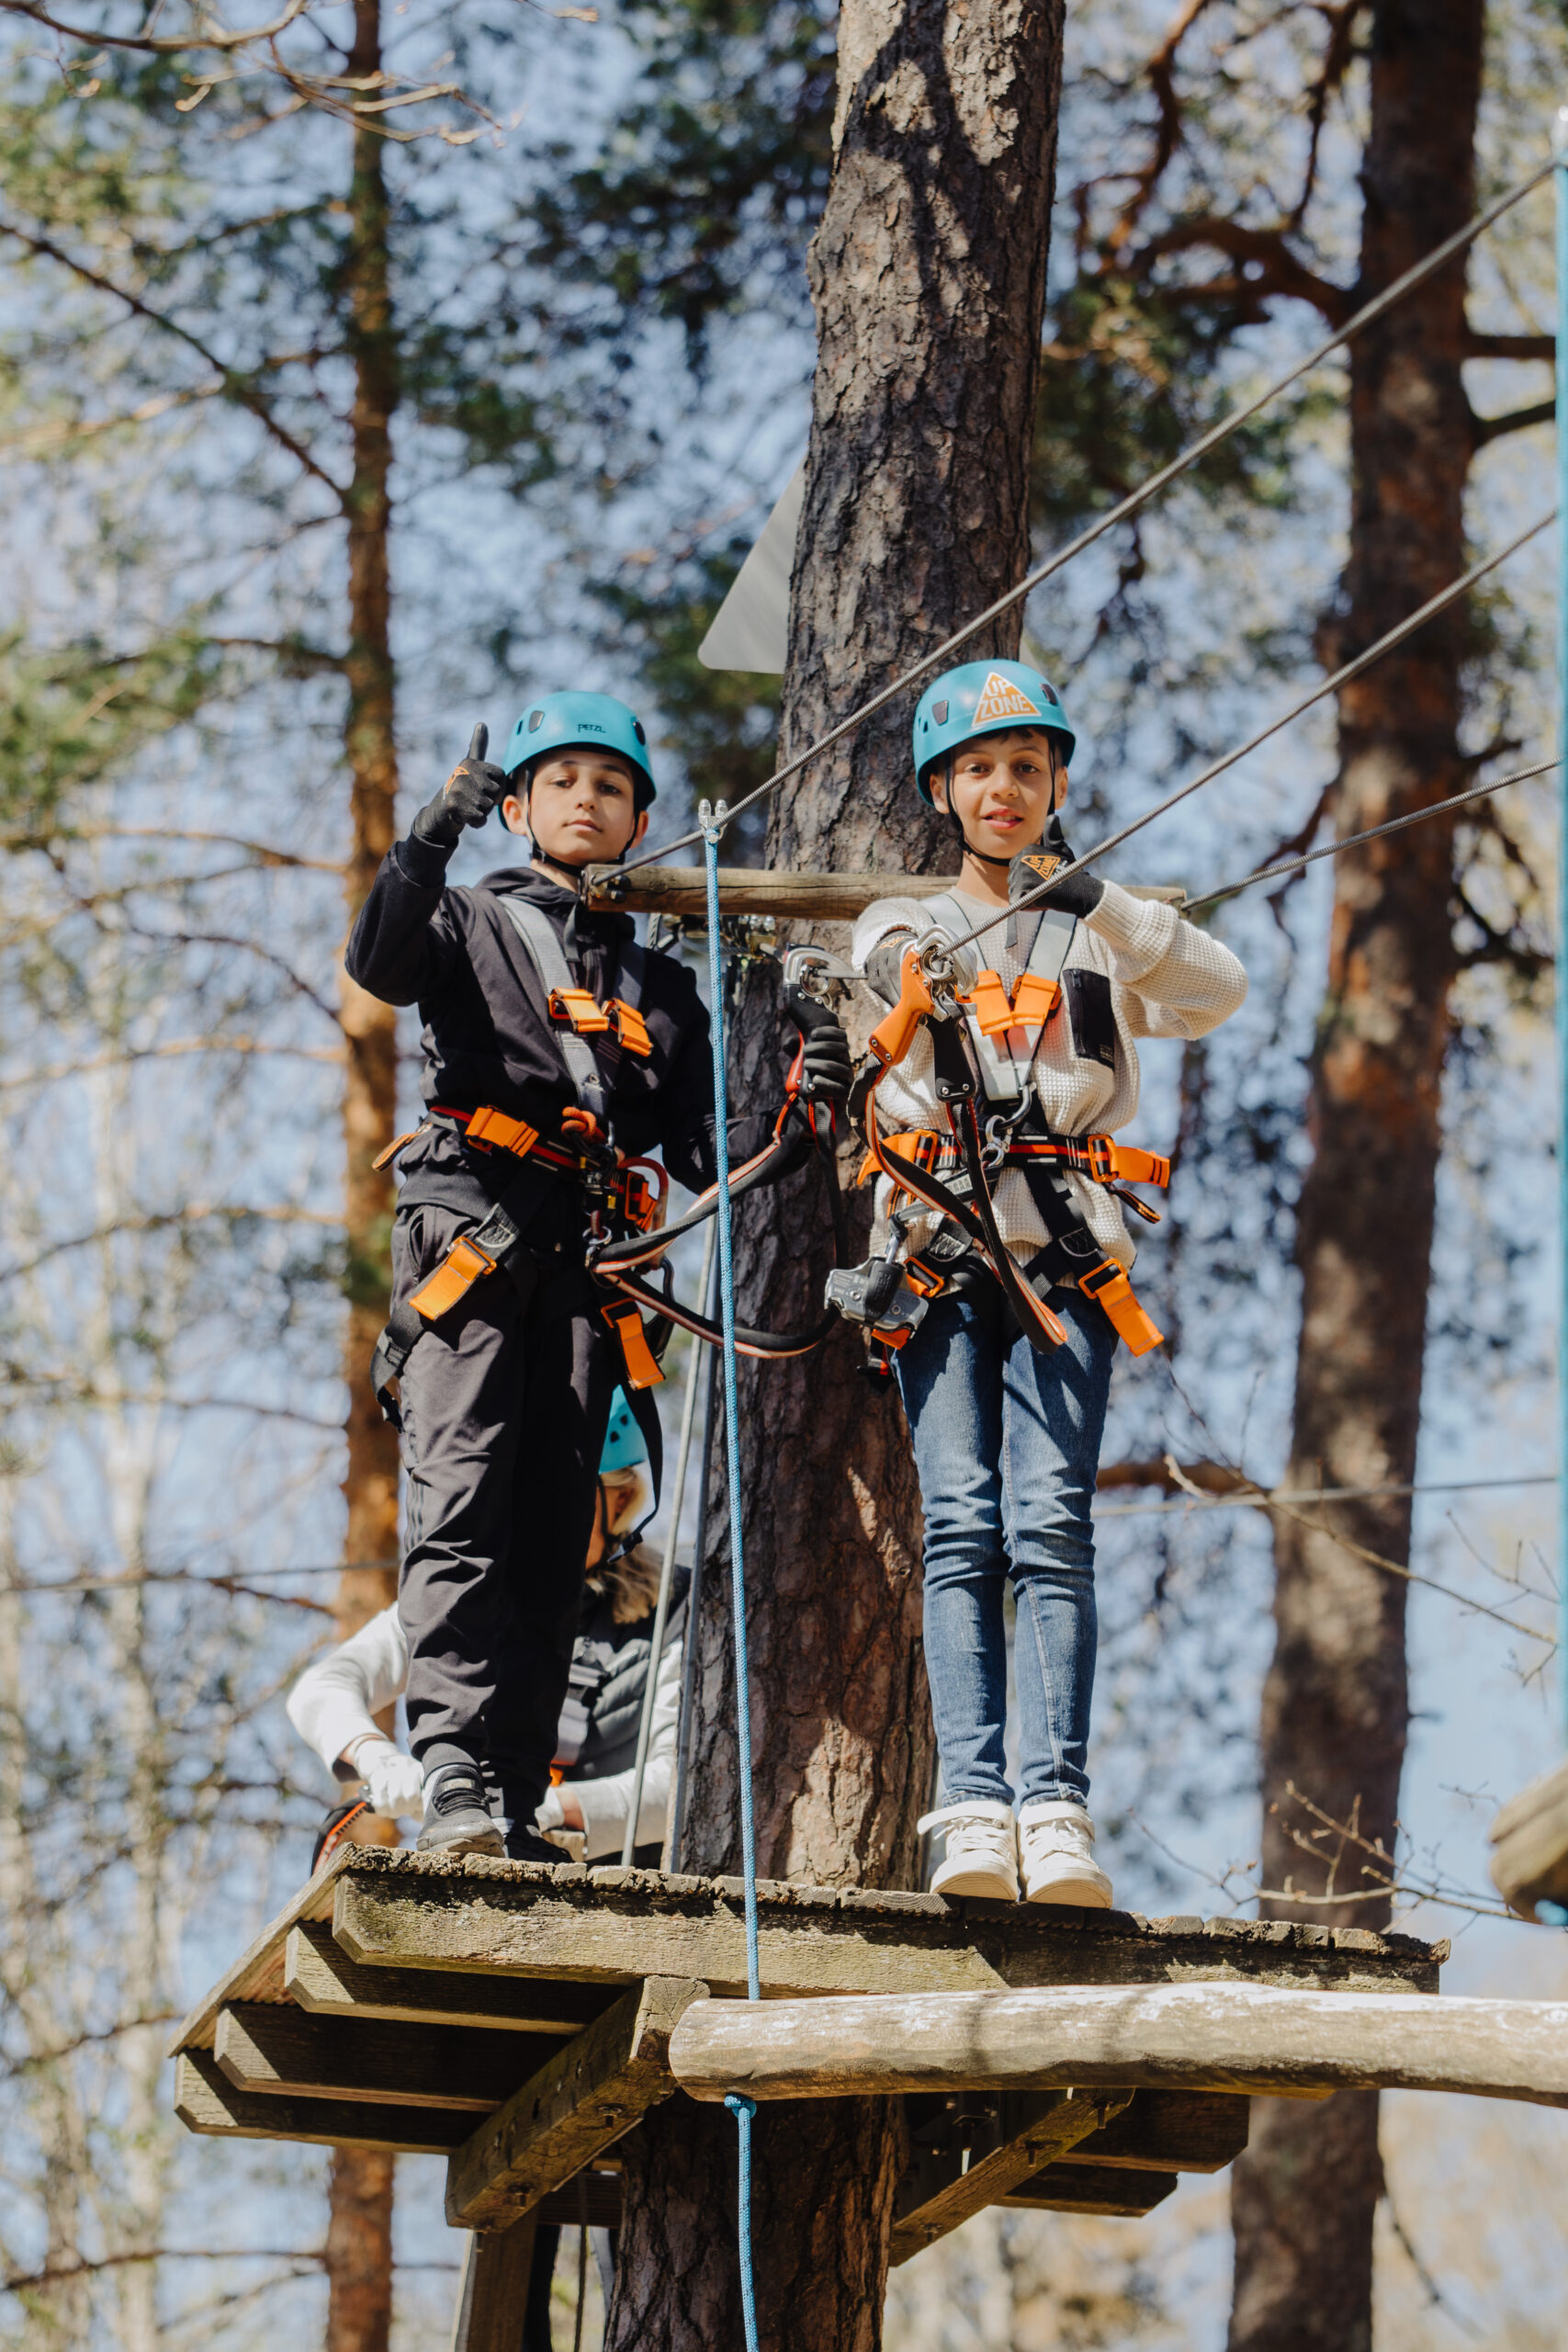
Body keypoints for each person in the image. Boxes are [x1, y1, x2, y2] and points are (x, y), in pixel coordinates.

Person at [344, 693, 851, 1861]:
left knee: (551, 1530)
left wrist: (806, 1096)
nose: (588, 799)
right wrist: (427, 839)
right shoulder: (468, 921)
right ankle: (456, 1769)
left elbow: (712, 1150)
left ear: (637, 821)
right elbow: (379, 960)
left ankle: (510, 1795)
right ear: (517, 805)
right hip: (472, 1245)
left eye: (612, 786)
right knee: (462, 1506)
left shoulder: (658, 992)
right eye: (563, 780)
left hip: (583, 1271)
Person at [852, 661, 1247, 1908]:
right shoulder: (896, 921)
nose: (1003, 788)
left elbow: (1214, 989)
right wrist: (924, 974)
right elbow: (884, 982)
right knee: (963, 1524)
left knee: (1052, 1529)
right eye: (978, 769)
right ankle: (972, 1806)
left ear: (1057, 782)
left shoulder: (1100, 934)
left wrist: (1105, 901)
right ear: (941, 792)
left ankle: (1053, 1810)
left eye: (1025, 766)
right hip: (941, 1255)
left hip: (1067, 1257)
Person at [289, 1391, 688, 1867]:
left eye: (562, 1497)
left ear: (621, 1498)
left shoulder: (674, 1605)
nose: (543, 1524)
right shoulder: (473, 1591)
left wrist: (533, 1809)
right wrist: (380, 1759)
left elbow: (679, 1780)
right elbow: (321, 1689)